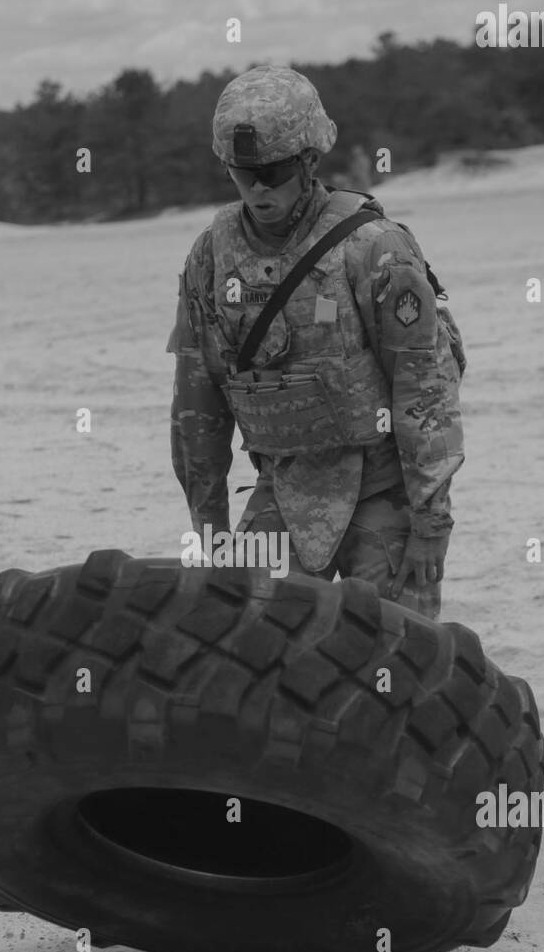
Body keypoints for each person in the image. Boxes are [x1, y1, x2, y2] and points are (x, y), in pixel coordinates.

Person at [166, 64, 467, 618]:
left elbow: (425, 390)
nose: (258, 187)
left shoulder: (374, 249)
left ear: (308, 160)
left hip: (381, 489)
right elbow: (197, 400)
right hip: (283, 486)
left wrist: (430, 523)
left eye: (274, 171)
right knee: (242, 645)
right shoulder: (211, 257)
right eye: (243, 171)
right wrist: (209, 530)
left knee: (391, 657)